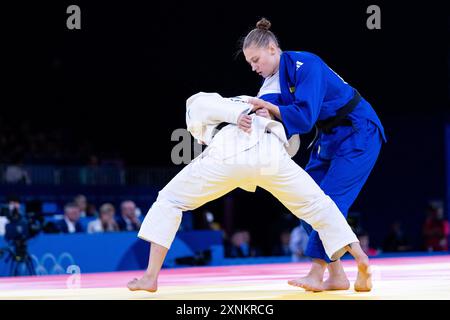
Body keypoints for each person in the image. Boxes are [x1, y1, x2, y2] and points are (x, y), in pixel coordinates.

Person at [126, 92, 372, 293]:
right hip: (272, 155)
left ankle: (150, 277)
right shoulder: (275, 110)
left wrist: (236, 116)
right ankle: (359, 255)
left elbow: (198, 103)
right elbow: (291, 143)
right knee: (319, 205)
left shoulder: (229, 103)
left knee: (170, 200)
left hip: (229, 149)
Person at [239, 17, 386, 291]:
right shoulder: (275, 80)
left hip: (358, 131)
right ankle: (338, 275)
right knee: (304, 200)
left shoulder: (305, 64)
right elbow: (262, 106)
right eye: (250, 63)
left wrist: (271, 109)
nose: (254, 67)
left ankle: (316, 273)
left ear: (272, 48)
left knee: (328, 201)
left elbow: (304, 118)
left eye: (256, 59)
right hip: (328, 139)